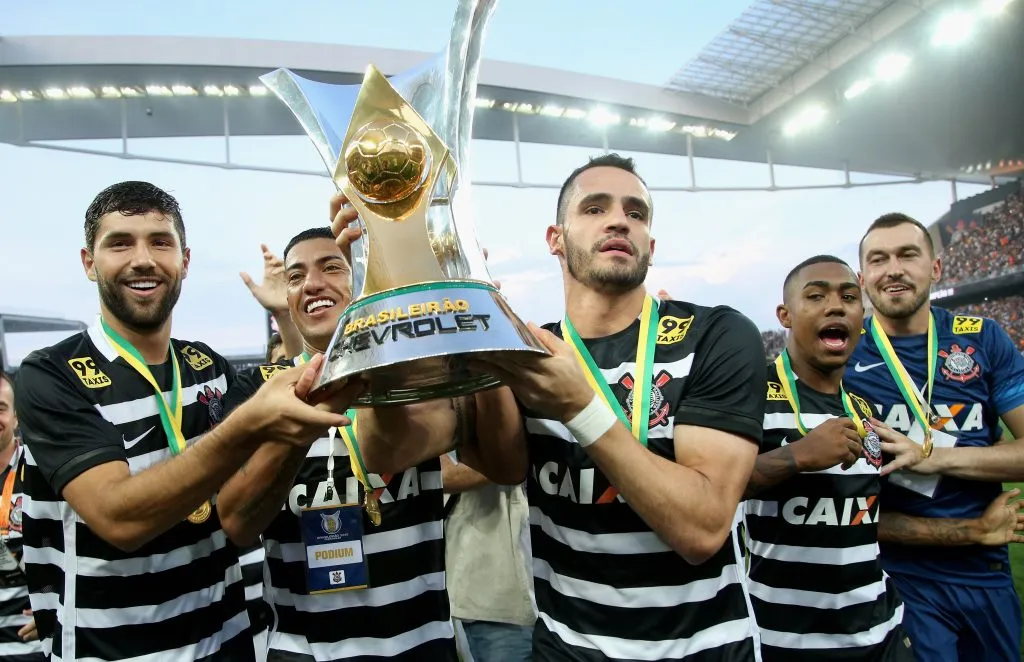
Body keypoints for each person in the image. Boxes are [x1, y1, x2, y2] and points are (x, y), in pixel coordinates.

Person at [340, 153, 768, 660]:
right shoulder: (527, 358)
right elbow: (387, 452)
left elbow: (701, 529)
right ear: (555, 239)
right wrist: (378, 293)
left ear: (651, 244)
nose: (618, 220)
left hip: (704, 650)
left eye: (637, 212)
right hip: (565, 648)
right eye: (594, 208)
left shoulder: (715, 335)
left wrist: (581, 409)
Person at [14, 181, 352, 662]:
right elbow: (119, 519)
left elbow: (244, 517)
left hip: (230, 644)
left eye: (160, 241)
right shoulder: (50, 374)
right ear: (89, 263)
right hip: (111, 652)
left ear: (185, 261)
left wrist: (290, 317)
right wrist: (245, 428)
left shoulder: (208, 368)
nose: (143, 259)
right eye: (119, 243)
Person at [217, 227, 460, 661]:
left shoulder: (415, 376)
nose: (312, 283)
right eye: (296, 276)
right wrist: (294, 427)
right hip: (304, 650)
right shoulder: (257, 390)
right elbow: (237, 522)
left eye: (333, 267)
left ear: (364, 278)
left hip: (421, 643)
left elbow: (497, 465)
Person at [844, 212, 1024, 662]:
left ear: (936, 268)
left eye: (908, 255)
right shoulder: (844, 355)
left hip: (986, 574)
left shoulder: (983, 339)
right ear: (864, 279)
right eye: (879, 260)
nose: (894, 269)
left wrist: (932, 458)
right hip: (897, 573)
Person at [744, 255, 919, 661]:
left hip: (881, 633)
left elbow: (869, 519)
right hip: (783, 639)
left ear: (861, 316)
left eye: (849, 297)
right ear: (785, 316)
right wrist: (796, 457)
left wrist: (972, 530)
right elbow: (705, 493)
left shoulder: (865, 410)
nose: (836, 305)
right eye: (816, 296)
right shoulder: (748, 396)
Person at [0, 373, 43, 662]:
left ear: (16, 418)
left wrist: (58, 607)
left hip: (30, 646)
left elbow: (81, 547)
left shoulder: (43, 471)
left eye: (0, 408)